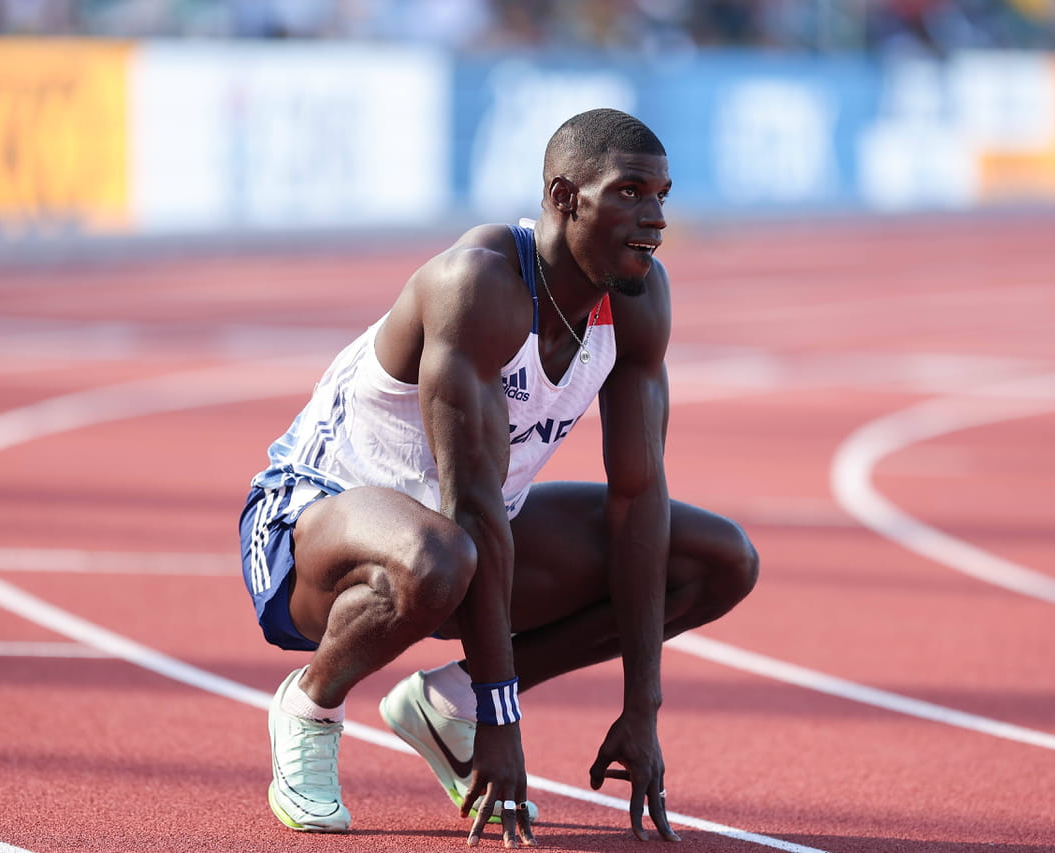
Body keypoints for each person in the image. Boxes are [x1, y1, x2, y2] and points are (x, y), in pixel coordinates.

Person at [238, 107, 758, 847]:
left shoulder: (636, 305)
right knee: (443, 551)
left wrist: (643, 708)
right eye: (631, 192)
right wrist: (503, 719)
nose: (656, 218)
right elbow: (473, 504)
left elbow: (638, 502)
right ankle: (311, 704)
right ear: (563, 197)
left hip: (464, 541)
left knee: (718, 560)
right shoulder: (476, 286)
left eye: (663, 196)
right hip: (311, 528)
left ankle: (444, 706)